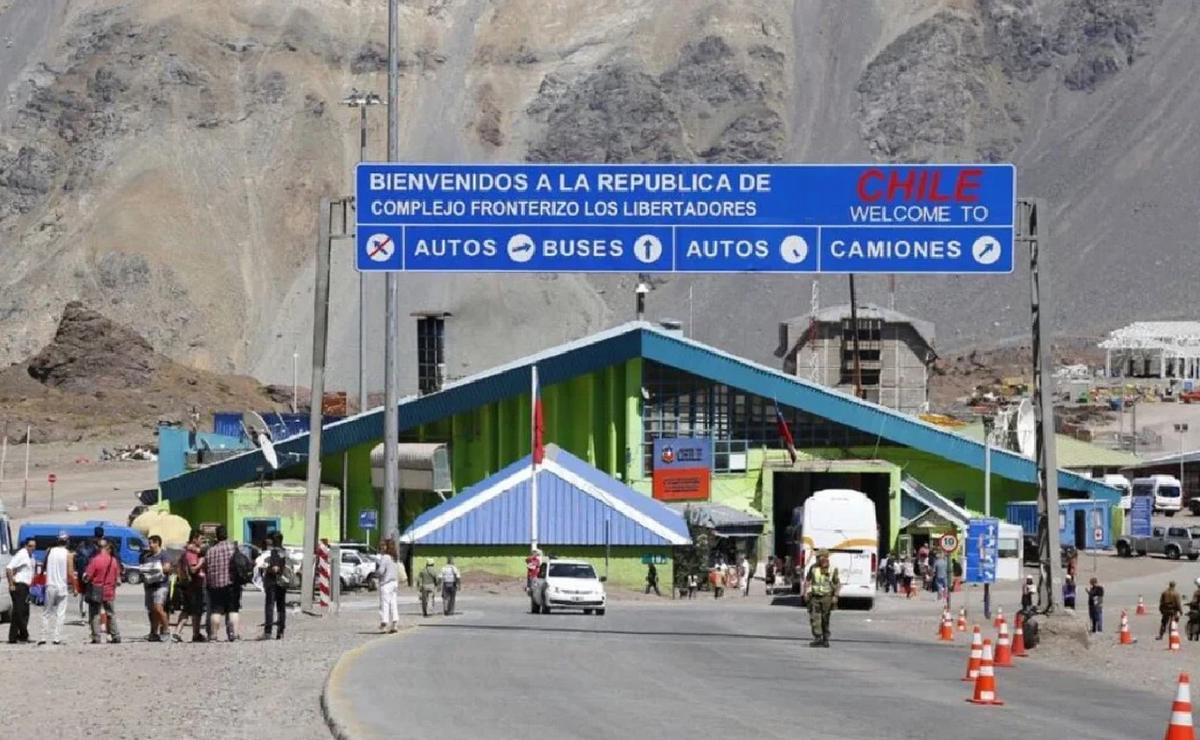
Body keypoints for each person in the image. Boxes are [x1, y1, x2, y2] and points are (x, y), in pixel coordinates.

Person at [203, 525, 238, 641]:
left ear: (216, 536)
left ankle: (213, 635)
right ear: (226, 535)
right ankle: (233, 634)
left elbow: (206, 568)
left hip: (215, 585)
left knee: (216, 611)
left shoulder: (210, 551)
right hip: (231, 583)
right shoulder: (233, 548)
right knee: (232, 609)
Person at [82, 539, 121, 644]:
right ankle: (115, 635)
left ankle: (96, 637)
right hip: (109, 590)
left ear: (97, 547)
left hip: (96, 590)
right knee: (111, 614)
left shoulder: (95, 560)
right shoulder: (113, 560)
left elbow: (87, 576)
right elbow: (117, 577)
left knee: (95, 614)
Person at [39, 532, 74, 645]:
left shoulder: (49, 551)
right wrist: (75, 586)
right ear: (67, 541)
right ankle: (56, 637)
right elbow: (70, 572)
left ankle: (43, 637)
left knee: (46, 612)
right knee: (60, 613)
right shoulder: (68, 554)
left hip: (50, 585)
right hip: (62, 586)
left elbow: (43, 566)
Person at [176, 530, 206, 642]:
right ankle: (196, 634)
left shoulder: (186, 551)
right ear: (194, 538)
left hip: (187, 586)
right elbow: (193, 569)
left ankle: (177, 633)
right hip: (194, 586)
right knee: (196, 611)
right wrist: (201, 562)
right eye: (201, 538)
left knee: (187, 610)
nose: (202, 541)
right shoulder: (191, 554)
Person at [806, 550, 841, 647]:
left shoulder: (833, 569)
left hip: (827, 597)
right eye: (817, 557)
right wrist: (806, 592)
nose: (818, 559)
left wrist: (835, 596)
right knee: (814, 617)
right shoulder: (813, 568)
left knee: (825, 618)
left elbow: (837, 583)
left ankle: (825, 638)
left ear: (825, 557)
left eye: (819, 557)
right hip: (815, 597)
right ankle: (818, 638)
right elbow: (808, 580)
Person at [141, 535, 172, 642]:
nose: (150, 545)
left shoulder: (164, 555)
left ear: (158, 543)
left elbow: (167, 568)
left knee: (158, 608)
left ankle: (166, 630)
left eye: (152, 543)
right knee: (152, 611)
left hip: (161, 585)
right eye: (149, 543)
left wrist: (156, 569)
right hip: (149, 586)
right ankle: (153, 632)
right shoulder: (147, 556)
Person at [6, 537, 35, 643]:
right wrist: (11, 584)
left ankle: (14, 637)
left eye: (34, 546)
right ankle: (24, 634)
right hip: (19, 586)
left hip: (26, 587)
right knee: (19, 612)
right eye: (30, 546)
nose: (32, 548)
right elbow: (9, 568)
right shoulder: (22, 554)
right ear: (25, 545)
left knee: (24, 612)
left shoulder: (31, 556)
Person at [261, 532, 290, 640]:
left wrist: (269, 569)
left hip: (271, 582)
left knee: (269, 606)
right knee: (281, 607)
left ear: (272, 541)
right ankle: (280, 631)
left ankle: (268, 632)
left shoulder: (270, 553)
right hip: (282, 582)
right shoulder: (285, 552)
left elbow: (266, 566)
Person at [376, 539, 402, 633]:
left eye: (383, 546)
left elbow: (381, 571)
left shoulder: (385, 557)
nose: (382, 548)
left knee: (384, 604)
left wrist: (376, 573)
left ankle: (384, 623)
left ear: (387, 547)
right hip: (394, 583)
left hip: (386, 583)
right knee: (393, 604)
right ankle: (395, 624)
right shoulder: (395, 557)